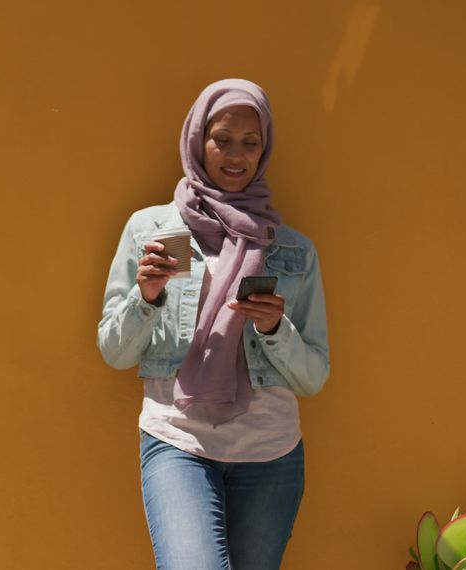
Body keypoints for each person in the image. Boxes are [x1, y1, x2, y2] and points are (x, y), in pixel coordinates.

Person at [97, 78, 331, 569]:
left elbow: (313, 376)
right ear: (196, 140)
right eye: (221, 138)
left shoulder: (290, 249)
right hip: (177, 440)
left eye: (251, 143)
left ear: (264, 150)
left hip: (271, 452)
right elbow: (114, 352)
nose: (235, 155)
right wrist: (147, 296)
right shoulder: (155, 232)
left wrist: (274, 330)